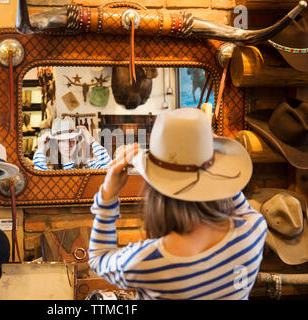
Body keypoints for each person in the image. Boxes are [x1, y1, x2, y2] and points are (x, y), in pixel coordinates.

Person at [88, 108, 268, 300]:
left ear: (155, 190)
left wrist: (108, 194)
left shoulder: (147, 261)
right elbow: (233, 195)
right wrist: (204, 152)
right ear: (214, 171)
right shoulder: (254, 229)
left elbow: (99, 258)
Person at [33, 117, 111, 170]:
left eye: (71, 139)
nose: (67, 144)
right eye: (62, 141)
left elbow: (109, 167)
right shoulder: (49, 168)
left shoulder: (88, 165)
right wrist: (41, 148)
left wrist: (92, 141)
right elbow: (37, 176)